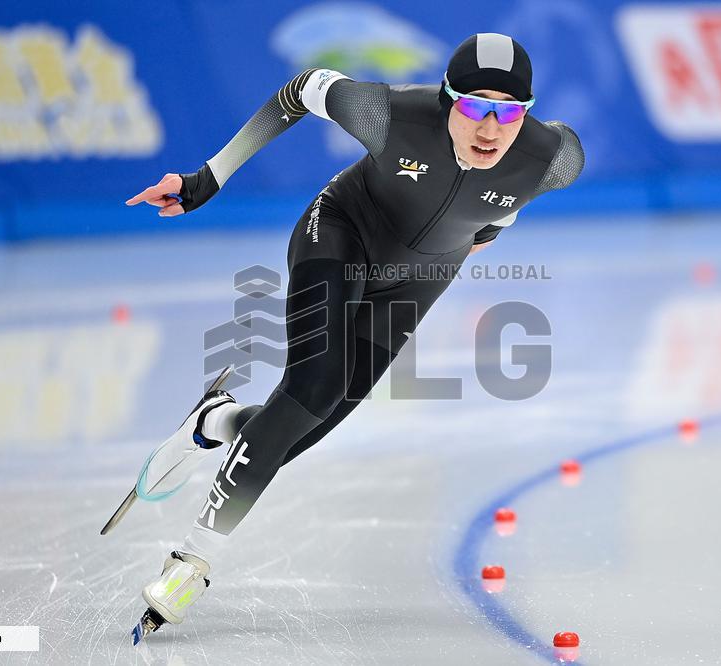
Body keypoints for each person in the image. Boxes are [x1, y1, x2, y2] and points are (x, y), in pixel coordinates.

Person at [121, 32, 584, 641]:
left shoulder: (556, 158)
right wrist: (208, 177)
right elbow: (299, 90)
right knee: (313, 386)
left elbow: (504, 207)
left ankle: (213, 423)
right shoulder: (387, 114)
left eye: (508, 112)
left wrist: (483, 235)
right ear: (448, 102)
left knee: (306, 427)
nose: (490, 128)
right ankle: (192, 561)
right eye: (474, 107)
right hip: (341, 234)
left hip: (421, 278)